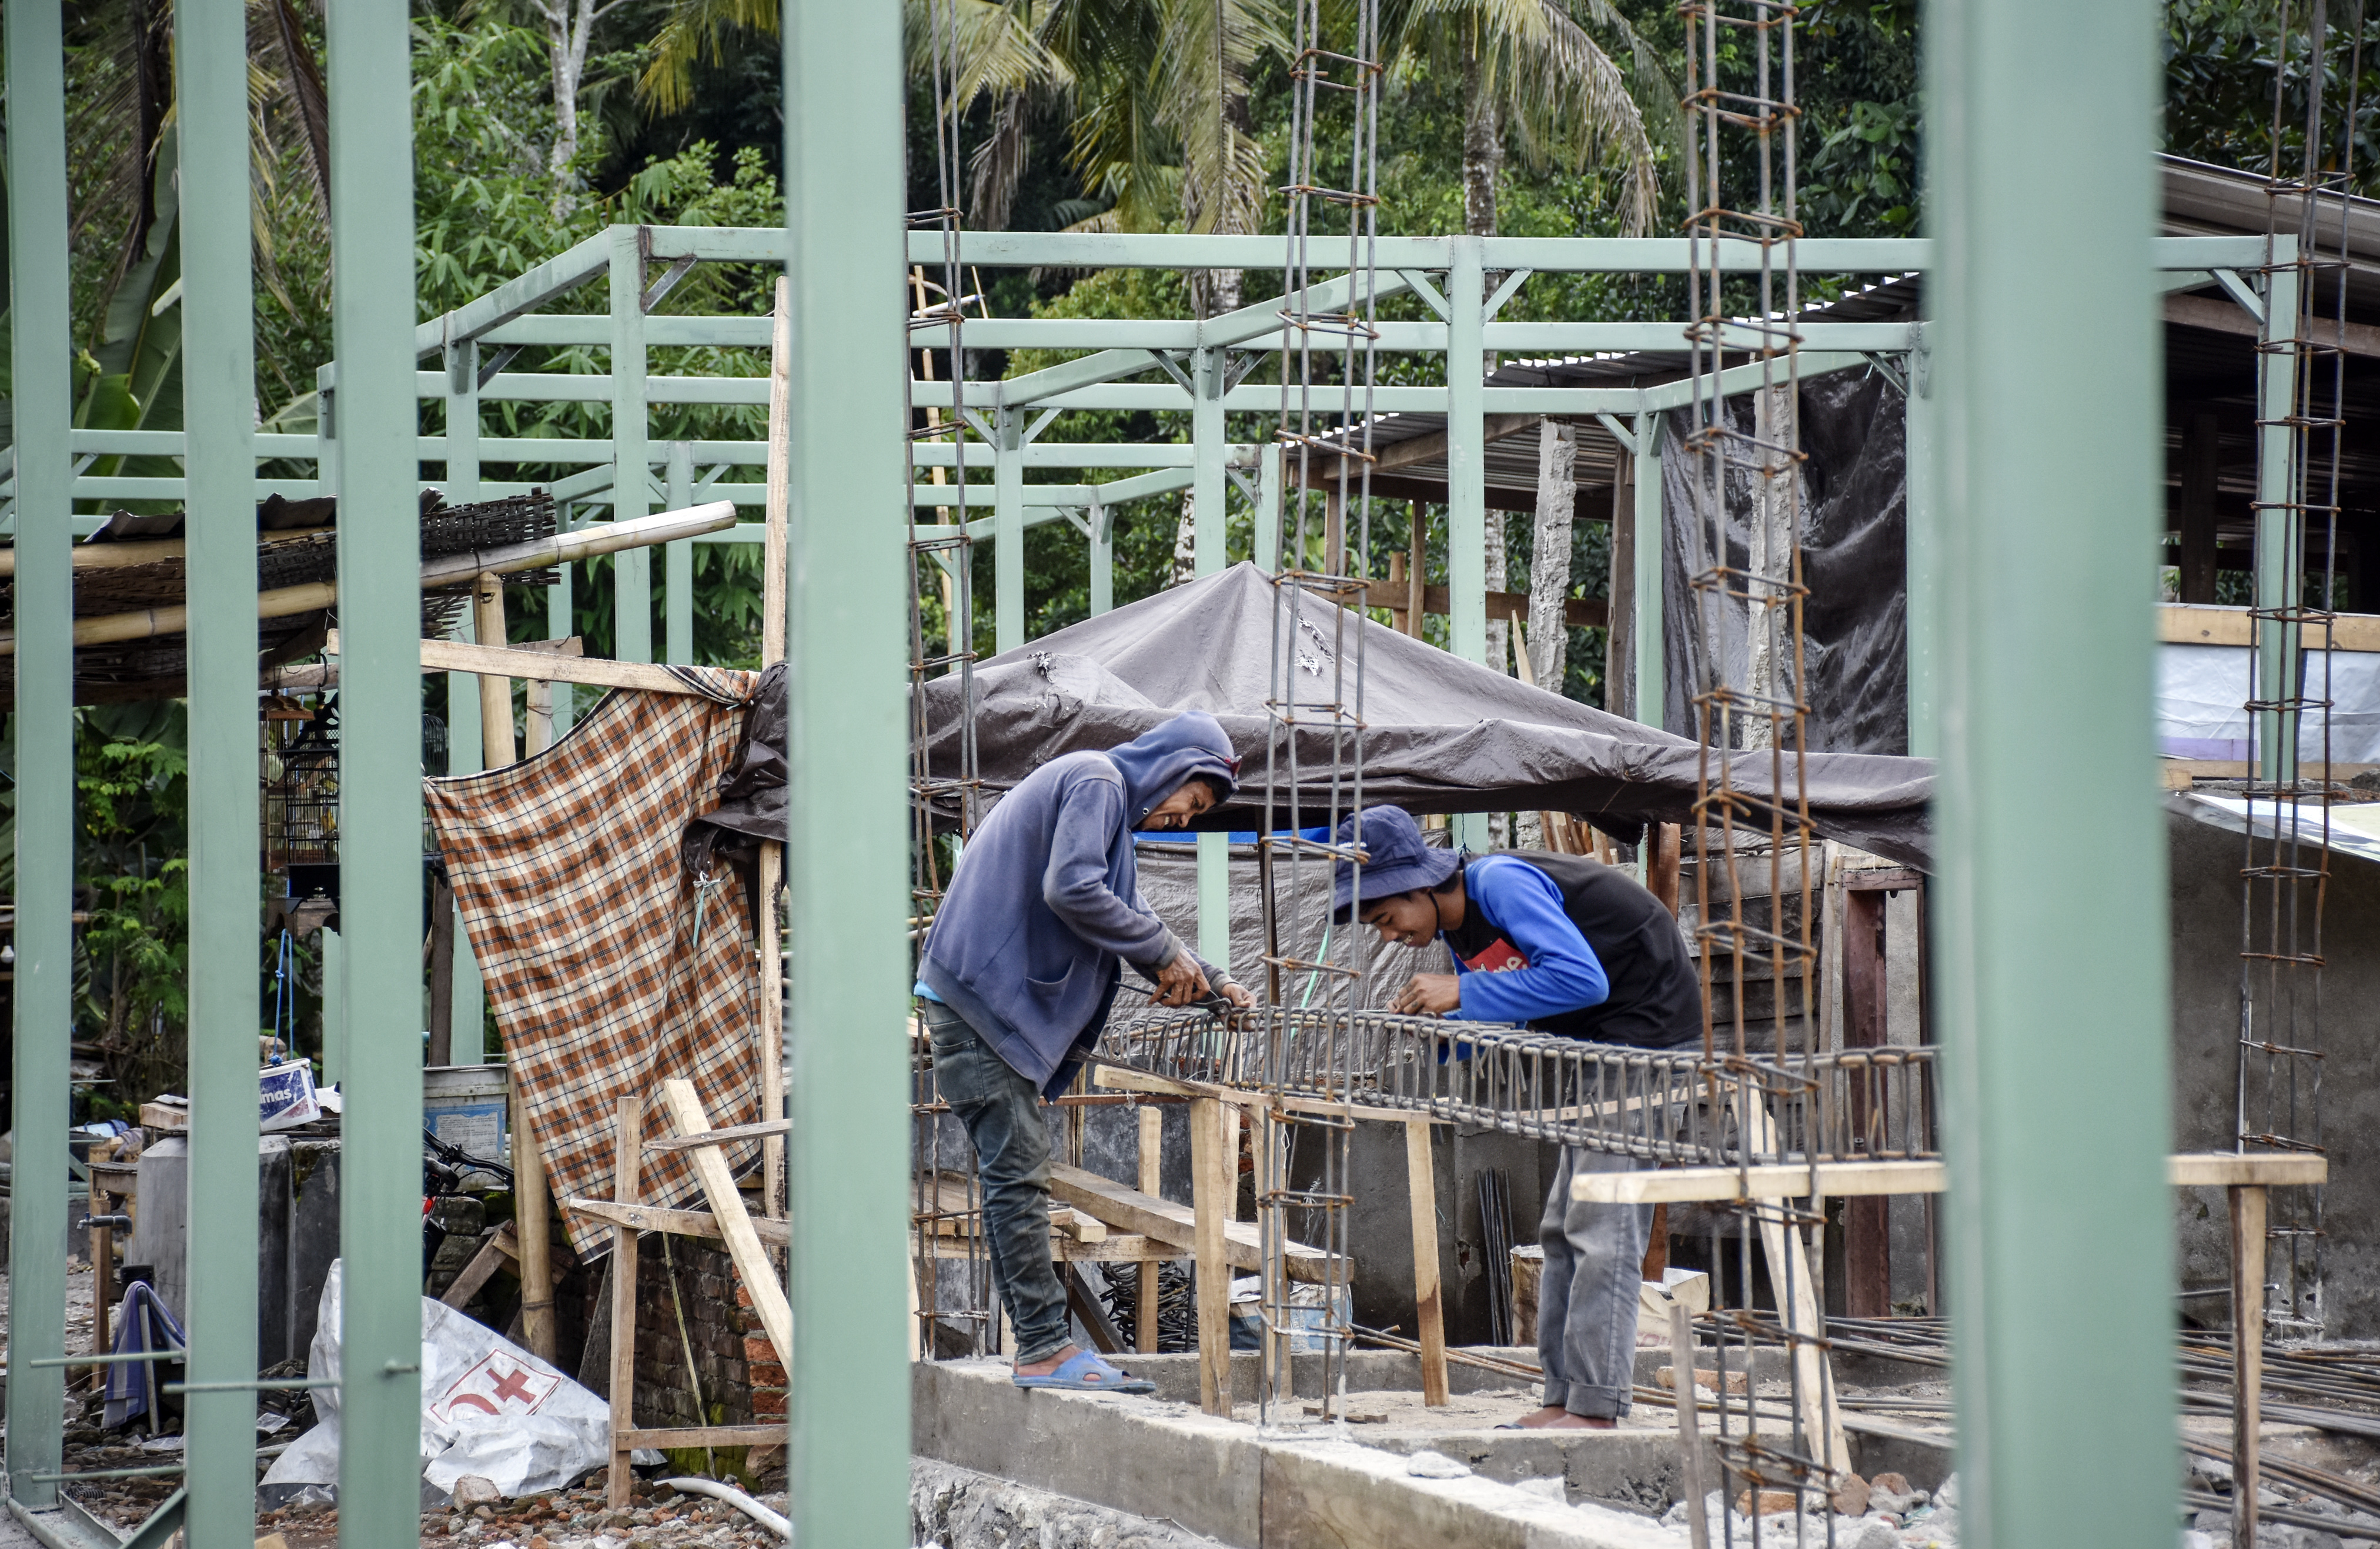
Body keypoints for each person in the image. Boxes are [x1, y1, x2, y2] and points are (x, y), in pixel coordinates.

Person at [1332, 804, 1698, 1430]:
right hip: (1599, 1054)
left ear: (1418, 885)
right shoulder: (1458, 927)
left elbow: (1580, 980)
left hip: (1648, 1051)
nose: (1387, 935)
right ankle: (1563, 1398)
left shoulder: (1499, 882)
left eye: (1386, 918)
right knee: (1560, 1228)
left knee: (1603, 1230)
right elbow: (1518, 1001)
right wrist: (1447, 1029)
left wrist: (1461, 994)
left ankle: (1596, 1407)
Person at [917, 710, 1253, 1391]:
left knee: (1013, 1176)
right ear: (1168, 769)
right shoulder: (1097, 779)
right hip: (982, 1012)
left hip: (980, 1010)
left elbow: (1124, 916)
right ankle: (1043, 1348)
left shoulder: (1102, 807)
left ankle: (1046, 1348)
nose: (1182, 821)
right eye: (1190, 804)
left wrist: (1205, 976)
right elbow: (1072, 890)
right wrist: (1163, 954)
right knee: (1016, 1180)